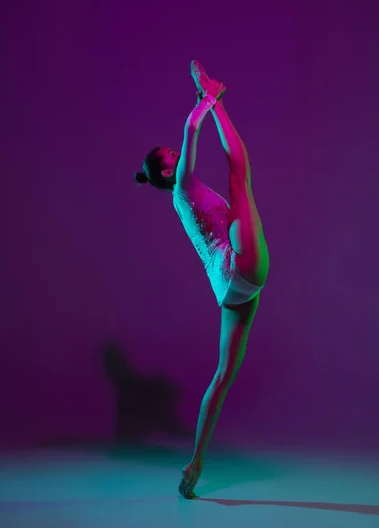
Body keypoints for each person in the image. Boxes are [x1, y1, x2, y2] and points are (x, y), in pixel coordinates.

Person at [134, 61, 270, 499]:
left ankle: (195, 462)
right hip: (238, 266)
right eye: (171, 157)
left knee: (224, 374)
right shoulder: (182, 186)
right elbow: (191, 133)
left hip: (231, 288)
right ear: (170, 171)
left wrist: (208, 100)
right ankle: (218, 97)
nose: (177, 154)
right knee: (239, 182)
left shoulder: (181, 196)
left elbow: (190, 136)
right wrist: (207, 98)